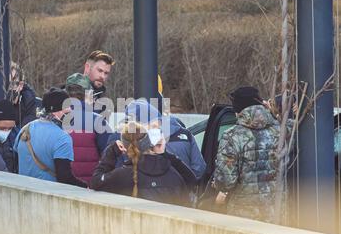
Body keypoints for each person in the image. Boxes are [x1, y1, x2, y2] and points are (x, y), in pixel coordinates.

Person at [212, 86, 281, 223]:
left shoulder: (231, 136)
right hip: (276, 212)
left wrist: (217, 184)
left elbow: (225, 182)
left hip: (244, 216)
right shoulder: (280, 130)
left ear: (238, 110)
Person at [90, 122, 198, 207]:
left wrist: (111, 152)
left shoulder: (123, 175)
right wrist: (165, 154)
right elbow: (192, 181)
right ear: (148, 143)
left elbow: (95, 181)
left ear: (125, 146)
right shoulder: (172, 171)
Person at [14, 87, 87, 188]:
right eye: (67, 112)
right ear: (55, 111)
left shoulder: (26, 129)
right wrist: (85, 186)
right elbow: (64, 177)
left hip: (21, 193)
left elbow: (15, 162)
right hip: (48, 195)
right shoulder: (63, 138)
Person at [64, 74, 113, 183]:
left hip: (60, 187)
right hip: (90, 188)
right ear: (88, 95)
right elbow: (111, 155)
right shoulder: (97, 121)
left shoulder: (55, 117)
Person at [7, 62, 38, 127]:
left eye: (12, 84)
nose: (8, 89)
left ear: (21, 85)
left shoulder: (28, 101)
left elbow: (26, 130)